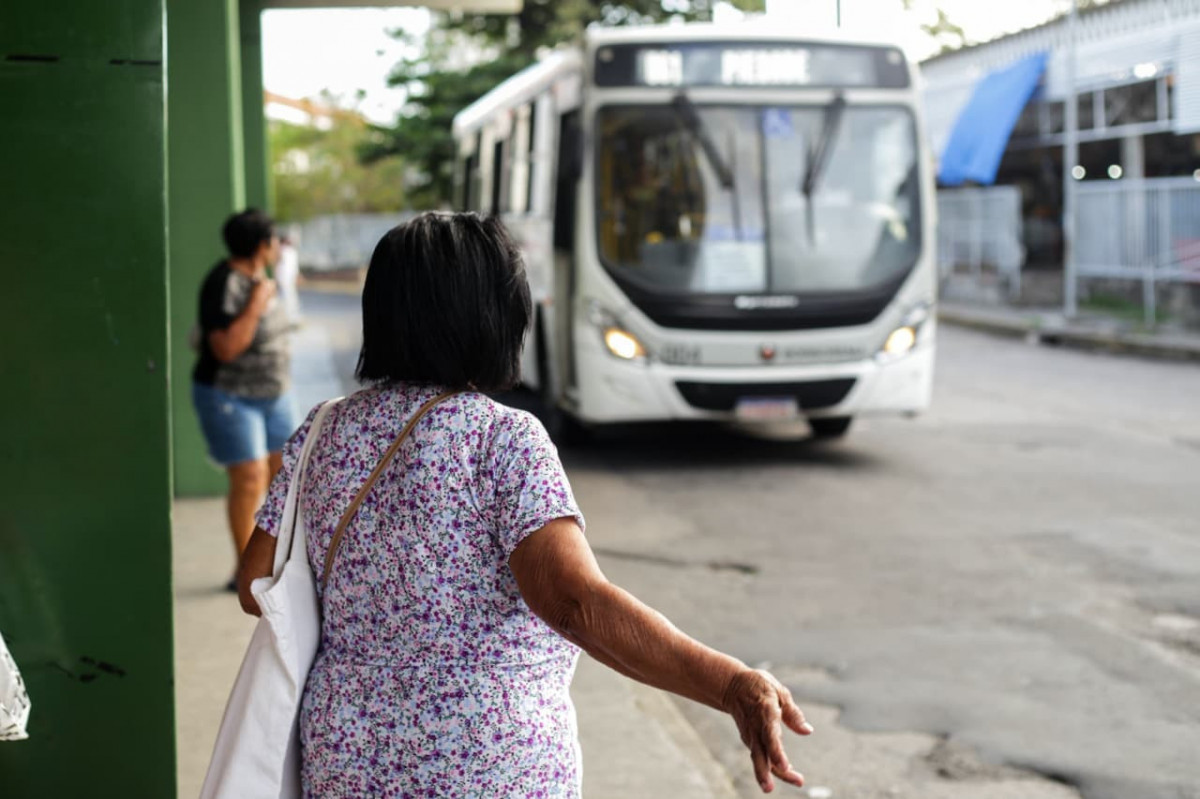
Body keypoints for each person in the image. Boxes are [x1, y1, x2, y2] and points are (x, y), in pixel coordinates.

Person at [236, 213, 813, 797]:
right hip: (484, 762)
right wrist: (729, 684)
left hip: (346, 757)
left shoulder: (326, 429)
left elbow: (255, 581)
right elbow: (572, 603)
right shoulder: (501, 437)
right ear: (495, 314)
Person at [193, 209, 297, 589]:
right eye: (273, 241)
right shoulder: (224, 283)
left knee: (286, 477)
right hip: (230, 396)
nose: (276, 248)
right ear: (262, 245)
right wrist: (255, 302)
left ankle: (279, 563)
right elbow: (224, 348)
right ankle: (245, 574)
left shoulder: (261, 278)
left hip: (275, 395)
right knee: (250, 479)